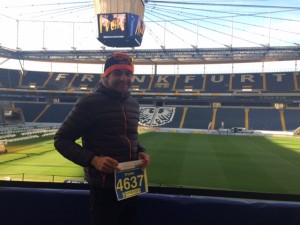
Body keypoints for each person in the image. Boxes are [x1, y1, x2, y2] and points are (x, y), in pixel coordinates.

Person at [54, 52, 151, 225]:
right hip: (104, 188)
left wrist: (141, 151)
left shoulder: (133, 104)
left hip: (131, 184)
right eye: (117, 73)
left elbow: (127, 137)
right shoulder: (89, 102)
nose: (124, 78)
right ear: (106, 75)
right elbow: (61, 140)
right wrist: (93, 160)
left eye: (128, 74)